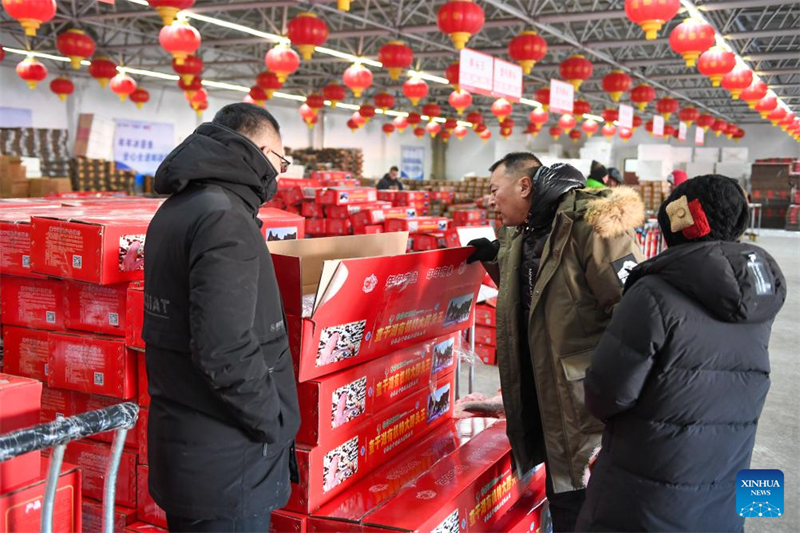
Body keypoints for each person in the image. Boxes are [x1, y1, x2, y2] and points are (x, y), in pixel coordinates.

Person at [576, 175, 786, 532]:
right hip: (726, 475)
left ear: (676, 223)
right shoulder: (757, 296)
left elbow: (606, 393)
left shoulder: (653, 292)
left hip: (645, 483)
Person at [142, 103, 300, 532]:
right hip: (229, 460)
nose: (280, 175)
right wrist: (274, 420)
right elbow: (223, 347)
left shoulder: (180, 208)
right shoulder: (225, 218)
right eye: (280, 161)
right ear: (261, 151)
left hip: (190, 443)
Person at [467, 152, 645, 532]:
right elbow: (543, 289)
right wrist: (496, 259)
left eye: (496, 190)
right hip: (546, 388)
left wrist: (619, 393)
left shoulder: (591, 225)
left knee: (580, 497)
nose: (491, 199)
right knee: (561, 491)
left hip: (585, 398)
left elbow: (633, 312)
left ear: (524, 185)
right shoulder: (525, 231)